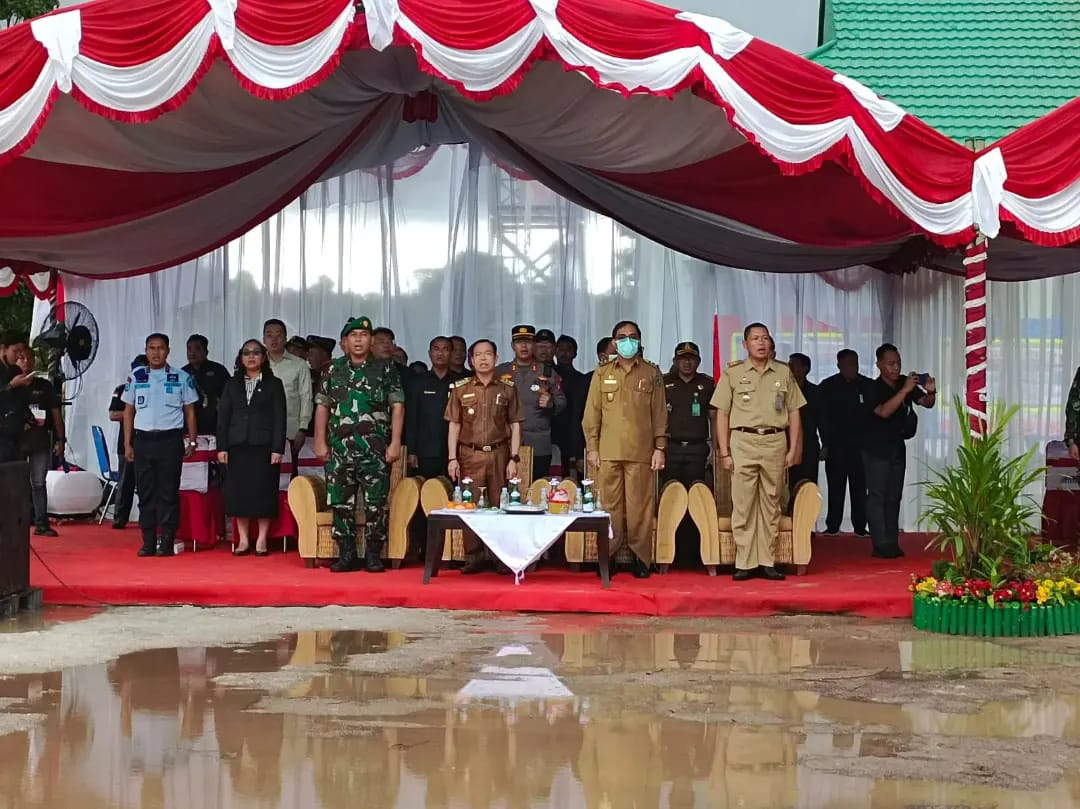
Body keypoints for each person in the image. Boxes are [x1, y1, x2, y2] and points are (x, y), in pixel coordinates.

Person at [711, 323, 803, 581]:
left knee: (771, 503)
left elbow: (795, 412)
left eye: (765, 338)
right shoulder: (733, 373)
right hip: (743, 441)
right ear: (745, 344)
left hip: (775, 441)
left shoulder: (783, 372)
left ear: (771, 343)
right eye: (755, 338)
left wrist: (793, 448)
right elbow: (722, 413)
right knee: (743, 503)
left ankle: (767, 561)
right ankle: (745, 562)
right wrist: (724, 452)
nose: (760, 343)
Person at [314, 316, 405, 573]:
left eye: (363, 336)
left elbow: (398, 406)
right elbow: (322, 407)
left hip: (375, 449)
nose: (358, 340)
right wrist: (319, 441)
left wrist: (395, 442)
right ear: (345, 341)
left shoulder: (385, 369)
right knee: (340, 503)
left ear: (371, 340)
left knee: (376, 503)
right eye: (353, 336)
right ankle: (346, 553)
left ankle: (374, 554)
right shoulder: (332, 370)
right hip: (339, 449)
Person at [582, 320, 668, 579]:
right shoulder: (602, 373)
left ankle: (641, 558)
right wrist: (592, 448)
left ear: (639, 341)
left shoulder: (651, 373)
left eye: (632, 336)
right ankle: (608, 556)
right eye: (622, 337)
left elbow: (660, 413)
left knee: (640, 507)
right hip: (608, 452)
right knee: (609, 507)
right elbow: (592, 414)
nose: (627, 341)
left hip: (641, 452)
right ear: (614, 342)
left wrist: (660, 447)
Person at [445, 339, 523, 573]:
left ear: (496, 358)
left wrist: (514, 457)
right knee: (470, 506)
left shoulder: (507, 388)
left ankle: (501, 556)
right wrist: (452, 458)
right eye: (478, 354)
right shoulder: (460, 388)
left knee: (501, 506)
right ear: (471, 360)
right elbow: (454, 425)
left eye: (488, 354)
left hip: (499, 454)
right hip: (470, 454)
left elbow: (515, 424)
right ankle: (473, 556)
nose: (483, 358)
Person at [121, 333, 200, 557]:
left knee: (168, 492)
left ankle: (166, 540)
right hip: (143, 440)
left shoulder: (181, 377)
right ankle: (147, 541)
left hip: (170, 441)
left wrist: (192, 440)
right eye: (152, 348)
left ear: (168, 351)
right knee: (145, 493)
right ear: (146, 351)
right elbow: (128, 412)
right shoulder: (136, 376)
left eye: (161, 348)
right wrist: (127, 443)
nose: (156, 353)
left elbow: (190, 411)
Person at [861, 343, 936, 559]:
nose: (896, 368)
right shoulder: (872, 388)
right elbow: (884, 412)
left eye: (898, 363)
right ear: (879, 365)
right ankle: (880, 543)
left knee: (894, 496)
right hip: (875, 447)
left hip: (896, 446)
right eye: (891, 364)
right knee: (877, 495)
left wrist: (931, 391)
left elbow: (926, 403)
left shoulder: (905, 382)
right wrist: (904, 391)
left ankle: (891, 540)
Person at [216, 339, 287, 557]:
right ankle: (244, 540)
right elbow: (223, 418)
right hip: (237, 446)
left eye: (256, 352)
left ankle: (262, 539)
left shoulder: (274, 384)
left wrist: (278, 449)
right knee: (239, 493)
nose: (251, 356)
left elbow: (280, 418)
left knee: (263, 492)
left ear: (263, 357)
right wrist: (222, 447)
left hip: (264, 446)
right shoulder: (231, 384)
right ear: (241, 358)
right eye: (246, 353)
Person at [495, 325, 566, 481]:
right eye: (519, 342)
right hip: (506, 442)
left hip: (538, 442)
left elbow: (562, 402)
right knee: (507, 488)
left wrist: (551, 403)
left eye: (527, 342)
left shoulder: (546, 371)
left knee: (538, 488)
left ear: (534, 344)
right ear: (512, 346)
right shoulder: (500, 372)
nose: (524, 346)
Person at [819, 349, 871, 535]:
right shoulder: (827, 386)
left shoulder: (867, 385)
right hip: (836, 447)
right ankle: (833, 526)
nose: (852, 367)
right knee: (835, 488)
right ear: (839, 365)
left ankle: (860, 527)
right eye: (847, 364)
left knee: (860, 489)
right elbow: (822, 418)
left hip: (861, 447)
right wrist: (825, 444)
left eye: (854, 363)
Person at [15, 350, 65, 536]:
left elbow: (56, 415)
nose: (25, 362)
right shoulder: (10, 385)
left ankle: (41, 522)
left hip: (40, 441)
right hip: (17, 442)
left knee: (38, 482)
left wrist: (61, 439)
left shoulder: (44, 386)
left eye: (29, 358)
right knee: (16, 482)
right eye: (21, 358)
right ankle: (17, 521)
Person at [406, 336, 461, 479]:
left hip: (454, 451)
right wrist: (411, 451)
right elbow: (411, 418)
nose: (440, 353)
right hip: (425, 451)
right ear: (430, 353)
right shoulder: (418, 382)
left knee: (453, 490)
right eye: (436, 349)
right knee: (425, 489)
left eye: (445, 349)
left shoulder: (460, 382)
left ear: (451, 353)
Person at [662, 341, 715, 489]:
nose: (687, 362)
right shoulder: (664, 383)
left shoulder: (707, 384)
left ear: (698, 361)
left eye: (691, 358)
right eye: (682, 358)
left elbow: (714, 418)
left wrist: (716, 449)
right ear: (675, 361)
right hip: (671, 447)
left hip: (696, 448)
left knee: (696, 490)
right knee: (670, 491)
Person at [263, 319, 312, 461]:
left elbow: (306, 398)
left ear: (285, 338)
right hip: (261, 433)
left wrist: (303, 429)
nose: (274, 339)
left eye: (278, 335)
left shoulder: (299, 365)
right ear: (263, 339)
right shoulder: (256, 363)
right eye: (269, 335)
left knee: (289, 473)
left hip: (290, 432)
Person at [108, 354, 147, 529]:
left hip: (147, 442)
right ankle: (120, 518)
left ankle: (146, 518)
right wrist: (132, 412)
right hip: (127, 442)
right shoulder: (123, 389)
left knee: (147, 483)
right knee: (125, 482)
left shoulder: (155, 388)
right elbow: (112, 415)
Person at [787, 352, 823, 495]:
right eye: (789, 365)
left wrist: (826, 445)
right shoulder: (783, 390)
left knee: (808, 485)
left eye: (794, 365)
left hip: (809, 445)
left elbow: (822, 420)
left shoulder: (815, 392)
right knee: (787, 485)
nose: (790, 368)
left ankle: (808, 510)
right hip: (786, 444)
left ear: (805, 369)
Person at [553, 334, 588, 480]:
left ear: (575, 353)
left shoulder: (582, 380)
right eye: (560, 349)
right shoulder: (548, 375)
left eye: (568, 350)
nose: (564, 353)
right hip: (552, 433)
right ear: (555, 351)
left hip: (573, 434)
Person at [182, 334, 230, 436]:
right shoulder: (183, 373)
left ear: (206, 351)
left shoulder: (219, 370)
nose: (192, 353)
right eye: (189, 349)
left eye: (197, 349)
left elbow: (229, 398)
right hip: (188, 427)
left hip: (214, 426)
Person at [0, 330, 33, 463]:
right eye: (15, 351)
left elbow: (20, 400)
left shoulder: (15, 370)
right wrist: (11, 385)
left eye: (21, 351)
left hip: (15, 432)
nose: (19, 355)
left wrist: (27, 418)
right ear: (4, 349)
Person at [304, 335, 335, 435]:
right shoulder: (308, 374)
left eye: (311, 354)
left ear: (324, 353)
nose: (308, 358)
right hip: (308, 433)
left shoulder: (335, 374)